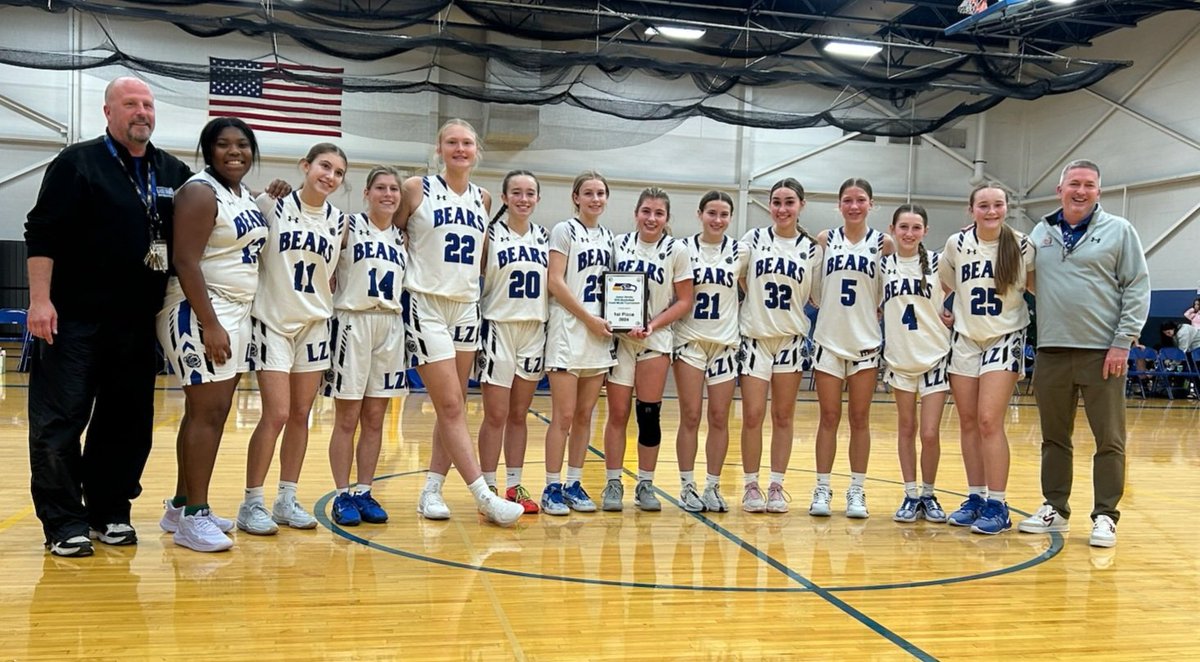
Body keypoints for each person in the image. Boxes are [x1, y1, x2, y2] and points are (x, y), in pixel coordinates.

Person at [25, 76, 192, 557]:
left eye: (148, 104)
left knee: (127, 424)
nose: (142, 112)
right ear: (108, 112)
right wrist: (41, 301)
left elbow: (209, 221)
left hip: (139, 325)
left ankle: (108, 510)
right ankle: (63, 522)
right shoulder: (76, 163)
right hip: (74, 319)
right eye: (130, 104)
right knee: (61, 421)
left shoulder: (172, 171)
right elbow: (42, 232)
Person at [395, 120, 523, 526]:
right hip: (426, 304)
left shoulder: (483, 199)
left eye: (467, 143)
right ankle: (483, 496)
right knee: (449, 404)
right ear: (439, 148)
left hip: (466, 306)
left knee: (454, 406)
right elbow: (388, 231)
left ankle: (431, 490)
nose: (460, 149)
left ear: (476, 151)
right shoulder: (416, 188)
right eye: (452, 142)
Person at [1018, 159, 1149, 548]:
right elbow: (1025, 279)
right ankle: (1055, 508)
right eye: (1074, 183)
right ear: (1059, 190)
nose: (1081, 190)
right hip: (1052, 351)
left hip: (1103, 353)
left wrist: (1122, 341)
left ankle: (1106, 515)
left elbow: (1137, 286)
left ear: (1098, 191)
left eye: (1089, 185)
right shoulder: (1041, 232)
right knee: (1053, 438)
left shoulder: (1120, 231)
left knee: (1109, 439)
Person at [156, 117, 268, 552]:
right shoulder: (200, 191)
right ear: (208, 150)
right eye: (223, 145)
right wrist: (210, 323)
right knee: (206, 412)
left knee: (213, 411)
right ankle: (194, 518)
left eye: (242, 145)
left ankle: (182, 506)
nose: (234, 152)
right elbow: (185, 261)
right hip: (199, 310)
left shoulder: (242, 197)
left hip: (235, 311)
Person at [237, 143, 349, 535]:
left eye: (338, 172)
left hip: (315, 324)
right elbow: (240, 205)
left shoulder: (339, 221)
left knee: (302, 415)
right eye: (324, 166)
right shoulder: (274, 203)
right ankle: (252, 501)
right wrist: (264, 191)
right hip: (273, 320)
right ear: (305, 166)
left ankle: (286, 497)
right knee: (277, 413)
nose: (330, 176)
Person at [938, 182, 1036, 535]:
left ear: (1007, 207)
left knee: (988, 421)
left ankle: (998, 503)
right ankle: (976, 497)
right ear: (971, 210)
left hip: (1004, 336)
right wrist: (948, 309)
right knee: (967, 422)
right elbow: (949, 283)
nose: (991, 211)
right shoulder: (956, 244)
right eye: (983, 205)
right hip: (966, 338)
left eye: (997, 205)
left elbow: (1035, 285)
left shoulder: (1022, 245)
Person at [325, 166, 408, 527]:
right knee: (347, 417)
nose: (388, 194)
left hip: (390, 325)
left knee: (375, 417)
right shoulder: (347, 226)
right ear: (367, 193)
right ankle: (342, 493)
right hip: (352, 321)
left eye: (394, 189)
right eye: (380, 188)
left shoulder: (404, 238)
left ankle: (363, 489)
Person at [601, 188, 694, 512]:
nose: (651, 218)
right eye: (646, 211)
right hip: (621, 341)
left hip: (654, 340)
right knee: (617, 414)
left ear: (667, 218)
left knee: (649, 416)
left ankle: (645, 483)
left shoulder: (676, 250)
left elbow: (685, 300)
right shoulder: (618, 244)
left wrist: (653, 324)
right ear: (636, 213)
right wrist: (617, 322)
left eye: (658, 213)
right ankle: (613, 482)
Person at [737, 178, 823, 514]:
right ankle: (750, 485)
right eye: (776, 202)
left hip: (790, 339)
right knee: (753, 415)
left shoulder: (812, 249)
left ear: (801, 205)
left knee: (783, 416)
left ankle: (776, 485)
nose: (782, 208)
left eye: (789, 202)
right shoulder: (753, 239)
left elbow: (816, 295)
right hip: (756, 337)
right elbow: (740, 276)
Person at [809, 178, 892, 519]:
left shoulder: (884, 243)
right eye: (847, 200)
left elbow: (891, 289)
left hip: (866, 341)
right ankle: (822, 488)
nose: (854, 206)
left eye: (860, 200)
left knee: (860, 418)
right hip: (829, 339)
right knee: (828, 417)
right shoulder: (825, 240)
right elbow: (813, 291)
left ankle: (857, 489)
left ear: (871, 204)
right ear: (838, 205)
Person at [540, 171, 617, 516]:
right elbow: (555, 281)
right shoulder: (563, 230)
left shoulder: (610, 238)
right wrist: (588, 318)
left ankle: (574, 482)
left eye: (601, 193)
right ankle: (551, 486)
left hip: (598, 333)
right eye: (589, 193)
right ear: (576, 197)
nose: (595, 199)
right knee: (564, 415)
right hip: (569, 329)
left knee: (586, 415)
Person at [476, 170, 549, 515]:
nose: (523, 199)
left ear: (538, 199)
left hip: (534, 329)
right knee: (496, 414)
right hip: (499, 326)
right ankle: (487, 486)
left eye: (530, 193)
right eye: (516, 193)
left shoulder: (545, 238)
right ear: (504, 198)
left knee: (520, 414)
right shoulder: (488, 237)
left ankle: (514, 482)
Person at [673, 191, 745, 512]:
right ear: (699, 213)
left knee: (719, 417)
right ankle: (687, 486)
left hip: (725, 344)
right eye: (712, 213)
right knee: (690, 415)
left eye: (724, 214)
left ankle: (713, 486)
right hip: (690, 340)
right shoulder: (682, 249)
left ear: (730, 217)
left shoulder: (742, 252)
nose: (717, 220)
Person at [879, 205, 951, 524]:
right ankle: (910, 494)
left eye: (916, 227)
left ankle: (929, 493)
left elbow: (963, 292)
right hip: (900, 357)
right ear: (892, 229)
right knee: (906, 428)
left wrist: (953, 314)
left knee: (930, 432)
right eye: (903, 227)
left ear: (926, 231)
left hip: (934, 354)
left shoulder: (938, 264)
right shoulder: (883, 266)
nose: (909, 233)